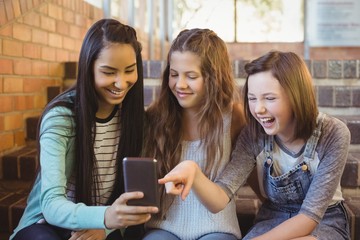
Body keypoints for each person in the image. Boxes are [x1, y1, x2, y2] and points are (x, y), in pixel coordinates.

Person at [160, 51, 351, 240]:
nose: (258, 109)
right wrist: (192, 171)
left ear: (296, 96)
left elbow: (309, 217)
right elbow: (219, 199)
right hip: (273, 217)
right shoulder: (253, 136)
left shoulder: (333, 133)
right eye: (252, 98)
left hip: (324, 220)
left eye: (269, 98)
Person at [11, 18, 158, 240]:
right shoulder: (61, 118)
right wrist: (105, 217)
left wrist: (105, 227)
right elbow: (51, 204)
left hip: (104, 225)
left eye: (129, 70)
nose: (121, 82)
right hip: (47, 223)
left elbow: (133, 204)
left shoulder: (137, 121)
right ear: (88, 68)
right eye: (109, 72)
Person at [142, 28, 246, 240]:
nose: (180, 84)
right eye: (174, 74)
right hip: (164, 227)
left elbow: (254, 174)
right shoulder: (155, 116)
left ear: (213, 78)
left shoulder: (233, 116)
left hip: (217, 228)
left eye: (191, 76)